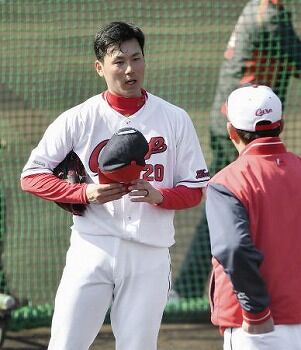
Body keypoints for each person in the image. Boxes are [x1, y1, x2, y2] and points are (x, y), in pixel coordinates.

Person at [20, 21, 210, 350]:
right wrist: (82, 193)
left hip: (149, 254)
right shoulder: (78, 118)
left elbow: (195, 188)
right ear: (100, 67)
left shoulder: (174, 118)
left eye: (136, 59)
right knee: (65, 344)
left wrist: (160, 196)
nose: (129, 69)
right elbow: (31, 176)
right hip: (92, 248)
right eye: (119, 61)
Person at [172, 0, 301, 300]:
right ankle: (189, 289)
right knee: (230, 203)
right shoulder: (268, 14)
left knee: (238, 203)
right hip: (242, 127)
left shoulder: (268, 9)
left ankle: (192, 287)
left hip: (241, 121)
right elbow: (296, 58)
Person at [206, 84, 301, 350]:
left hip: (257, 327)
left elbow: (233, 248)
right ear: (280, 125)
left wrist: (257, 311)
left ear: (231, 131)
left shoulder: (227, 182)